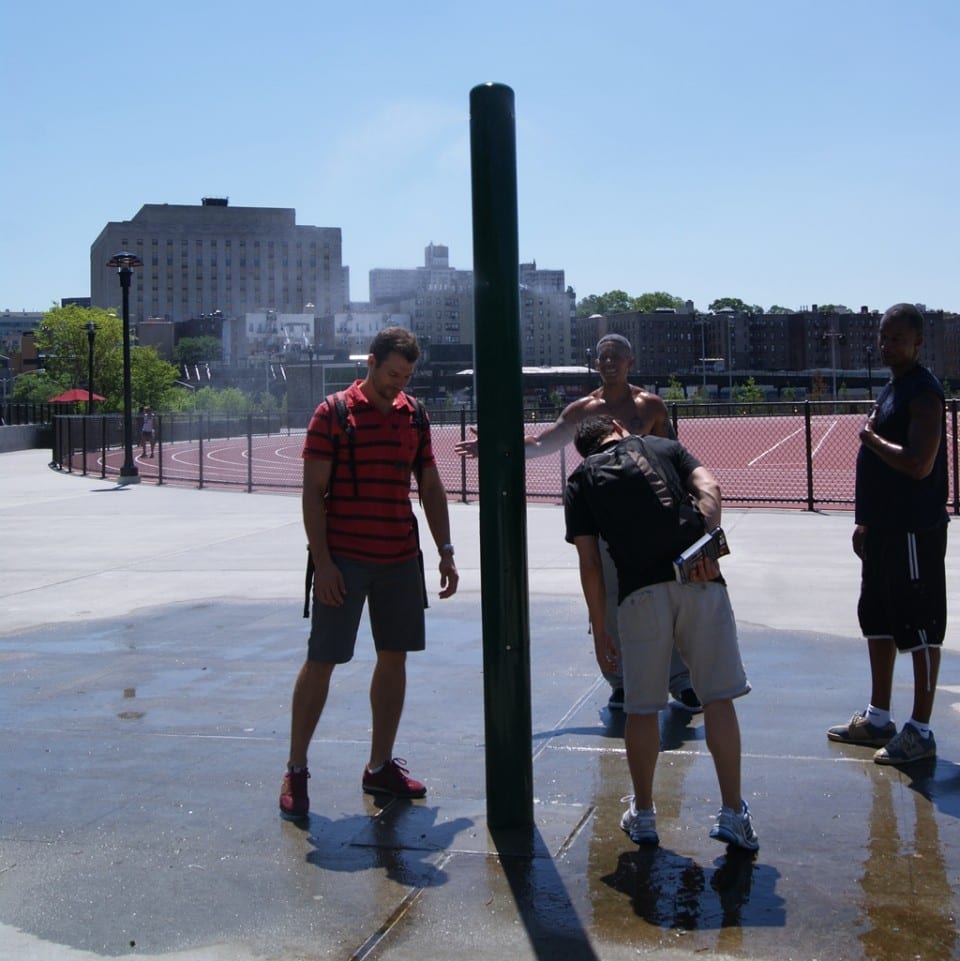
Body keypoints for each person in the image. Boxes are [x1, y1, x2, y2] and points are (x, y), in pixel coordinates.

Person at [455, 332, 699, 713]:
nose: (608, 362)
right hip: (606, 523)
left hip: (653, 523)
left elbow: (671, 456)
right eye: (602, 357)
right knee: (611, 600)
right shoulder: (582, 411)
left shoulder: (649, 406)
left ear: (630, 362)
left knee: (667, 595)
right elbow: (541, 444)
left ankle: (680, 680)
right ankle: (619, 680)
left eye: (616, 356)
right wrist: (495, 443)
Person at [279, 327, 459, 819]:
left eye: (406, 377)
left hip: (400, 557)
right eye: (392, 374)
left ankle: (379, 765)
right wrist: (325, 561)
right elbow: (313, 495)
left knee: (394, 658)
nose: (397, 385)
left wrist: (445, 549)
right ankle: (296, 767)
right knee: (323, 660)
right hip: (346, 560)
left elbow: (430, 486)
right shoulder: (332, 414)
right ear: (372, 363)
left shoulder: (414, 415)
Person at [564, 414, 758, 850]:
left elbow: (591, 563)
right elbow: (710, 487)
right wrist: (702, 544)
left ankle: (646, 814)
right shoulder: (665, 447)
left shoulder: (581, 479)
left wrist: (599, 628)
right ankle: (732, 812)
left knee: (642, 708)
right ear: (616, 425)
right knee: (718, 697)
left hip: (639, 594)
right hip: (701, 582)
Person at [827, 303, 948, 764]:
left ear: (918, 342)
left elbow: (919, 464)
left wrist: (871, 440)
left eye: (897, 338)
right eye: (883, 337)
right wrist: (865, 520)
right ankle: (879, 719)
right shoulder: (893, 388)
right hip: (881, 530)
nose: (887, 345)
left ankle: (920, 730)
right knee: (876, 619)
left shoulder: (923, 393)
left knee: (919, 628)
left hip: (913, 530)